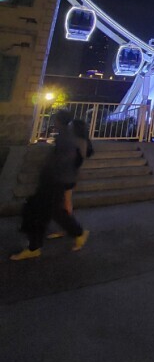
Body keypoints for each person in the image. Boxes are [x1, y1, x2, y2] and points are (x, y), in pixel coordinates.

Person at [10, 110, 90, 261]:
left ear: (59, 121)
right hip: (56, 181)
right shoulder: (66, 136)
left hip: (54, 181)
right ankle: (76, 233)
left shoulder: (65, 138)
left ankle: (35, 246)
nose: (54, 122)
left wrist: (51, 174)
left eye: (55, 119)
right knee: (51, 212)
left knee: (39, 212)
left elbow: (64, 160)